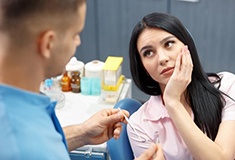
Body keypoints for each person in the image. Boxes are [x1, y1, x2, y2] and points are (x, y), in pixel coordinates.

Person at [0, 0, 160, 159]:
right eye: (75, 35)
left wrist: (81, 134)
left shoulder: (21, 109)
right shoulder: (19, 146)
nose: (78, 42)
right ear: (49, 43)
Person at [127, 12, 235, 160]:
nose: (163, 59)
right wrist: (172, 101)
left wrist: (173, 102)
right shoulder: (139, 125)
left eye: (168, 44)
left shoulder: (226, 86)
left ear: (187, 45)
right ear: (143, 67)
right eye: (148, 53)